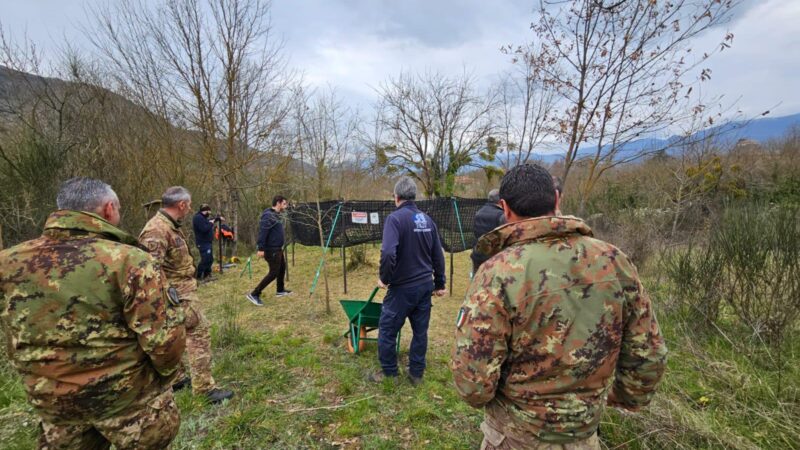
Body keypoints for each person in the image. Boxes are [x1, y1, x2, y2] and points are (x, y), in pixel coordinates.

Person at [451, 164, 667, 449]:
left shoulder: (498, 273)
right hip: (584, 435)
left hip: (515, 437)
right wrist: (624, 397)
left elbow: (473, 382)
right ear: (556, 199)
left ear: (504, 208)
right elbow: (648, 353)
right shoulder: (615, 261)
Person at [0, 177, 186, 449]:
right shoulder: (129, 261)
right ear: (109, 209)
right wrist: (165, 378)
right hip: (127, 403)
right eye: (119, 209)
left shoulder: (8, 263)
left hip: (54, 405)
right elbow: (164, 341)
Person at [139, 186, 234, 404]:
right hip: (176, 295)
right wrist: (169, 295)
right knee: (198, 333)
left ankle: (178, 378)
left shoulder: (169, 226)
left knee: (176, 336)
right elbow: (149, 270)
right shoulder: (157, 230)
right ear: (181, 205)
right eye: (189, 205)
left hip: (180, 292)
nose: (190, 209)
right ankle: (204, 389)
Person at [369, 177, 447, 385]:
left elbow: (387, 253)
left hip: (402, 288)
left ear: (396, 197)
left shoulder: (395, 219)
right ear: (414, 196)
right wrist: (439, 284)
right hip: (424, 286)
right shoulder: (427, 220)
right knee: (420, 332)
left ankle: (389, 373)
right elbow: (438, 255)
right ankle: (416, 374)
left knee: (386, 329)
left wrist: (384, 278)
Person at [246, 195, 291, 306]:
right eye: (284, 204)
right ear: (278, 203)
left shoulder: (276, 215)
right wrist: (260, 248)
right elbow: (263, 232)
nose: (285, 206)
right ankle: (255, 294)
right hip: (271, 249)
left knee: (282, 268)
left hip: (277, 248)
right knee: (273, 273)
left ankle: (280, 290)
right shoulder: (268, 216)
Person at [470, 188, 505, 275]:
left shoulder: (478, 212)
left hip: (477, 255)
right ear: (500, 201)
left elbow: (475, 232)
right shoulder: (501, 215)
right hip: (493, 258)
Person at [193, 204, 217, 280]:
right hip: (202, 243)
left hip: (207, 242)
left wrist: (217, 219)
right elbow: (204, 229)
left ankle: (207, 275)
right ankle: (198, 276)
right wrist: (211, 223)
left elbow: (208, 222)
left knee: (210, 259)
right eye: (208, 212)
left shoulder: (203, 218)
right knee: (205, 259)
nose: (209, 214)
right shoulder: (198, 218)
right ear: (205, 211)